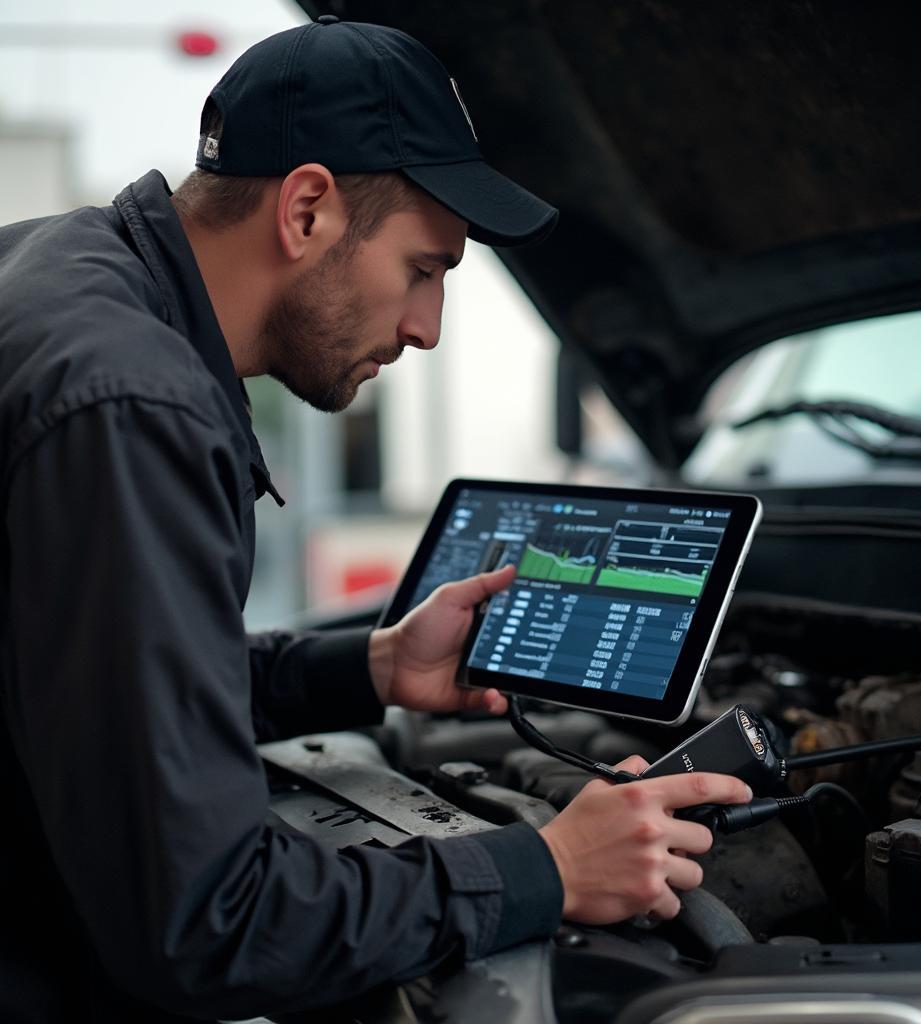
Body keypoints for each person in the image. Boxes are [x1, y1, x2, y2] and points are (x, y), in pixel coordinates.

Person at [0, 17, 751, 1023]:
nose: (426, 329)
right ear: (305, 208)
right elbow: (209, 922)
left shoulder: (61, 271)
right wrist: (546, 866)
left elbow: (102, 689)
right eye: (424, 269)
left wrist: (364, 668)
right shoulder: (133, 403)